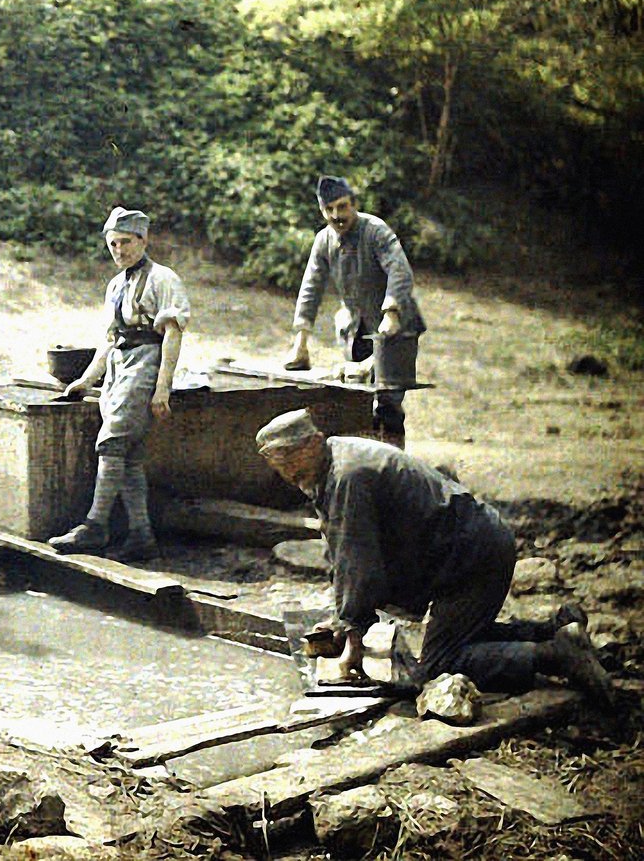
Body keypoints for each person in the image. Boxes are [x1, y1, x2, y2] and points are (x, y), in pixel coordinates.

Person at [255, 408, 613, 704]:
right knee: (463, 636)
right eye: (283, 472)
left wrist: (352, 641)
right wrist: (341, 620)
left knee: (440, 663)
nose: (291, 478)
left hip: (471, 556)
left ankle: (556, 654)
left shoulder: (348, 476)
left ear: (314, 442)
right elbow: (341, 550)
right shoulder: (332, 463)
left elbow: (358, 566)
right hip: (469, 545)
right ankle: (556, 629)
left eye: (295, 467)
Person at [47, 207, 190, 561]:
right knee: (128, 456)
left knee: (111, 443)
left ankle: (95, 525)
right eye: (113, 244)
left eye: (126, 242)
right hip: (118, 367)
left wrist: (162, 388)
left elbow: (172, 335)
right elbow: (109, 339)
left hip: (146, 364)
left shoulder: (163, 278)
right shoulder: (115, 285)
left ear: (143, 240)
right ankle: (142, 535)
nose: (119, 250)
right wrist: (85, 380)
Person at [283, 176, 425, 447]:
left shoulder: (376, 231)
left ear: (354, 205)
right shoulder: (324, 240)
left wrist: (392, 311)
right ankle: (364, 465)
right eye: (330, 210)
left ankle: (392, 464)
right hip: (355, 329)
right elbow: (311, 286)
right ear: (322, 212)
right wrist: (300, 340)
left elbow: (400, 270)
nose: (337, 216)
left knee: (387, 404)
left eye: (342, 207)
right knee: (354, 398)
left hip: (394, 328)